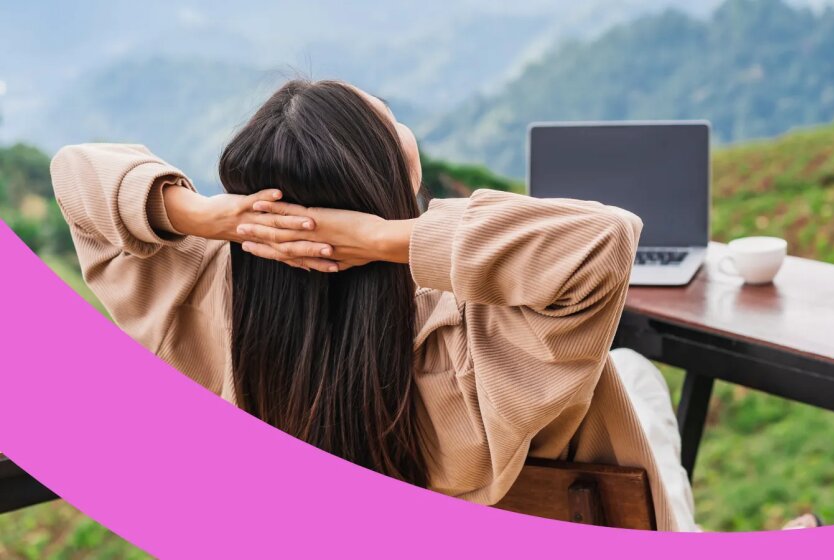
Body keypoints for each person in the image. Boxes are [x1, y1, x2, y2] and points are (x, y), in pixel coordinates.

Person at [51, 79, 700, 530]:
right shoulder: (463, 348)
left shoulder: (198, 306)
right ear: (386, 170)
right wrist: (383, 237)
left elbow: (76, 171)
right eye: (390, 122)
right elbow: (602, 239)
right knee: (635, 378)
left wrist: (202, 216)